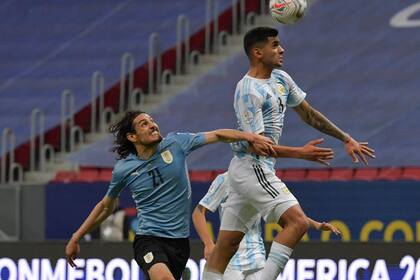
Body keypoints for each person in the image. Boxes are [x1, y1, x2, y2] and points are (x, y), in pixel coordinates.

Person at [202, 26, 375, 280]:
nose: (281, 49)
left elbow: (309, 114)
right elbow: (257, 145)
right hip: (253, 166)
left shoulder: (281, 78)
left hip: (249, 169)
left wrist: (346, 139)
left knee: (225, 248)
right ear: (258, 52)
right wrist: (300, 153)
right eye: (274, 45)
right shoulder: (248, 90)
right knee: (298, 223)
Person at [64, 111, 274, 280]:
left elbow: (218, 135)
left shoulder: (176, 144)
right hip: (149, 239)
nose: (153, 125)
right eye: (144, 124)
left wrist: (251, 137)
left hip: (180, 244)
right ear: (132, 136)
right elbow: (105, 206)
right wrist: (76, 236)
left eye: (153, 121)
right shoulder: (124, 169)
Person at [193, 172, 341, 280]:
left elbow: (290, 215)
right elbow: (198, 212)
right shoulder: (226, 179)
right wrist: (208, 244)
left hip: (257, 258)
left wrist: (318, 225)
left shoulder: (262, 182)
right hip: (231, 259)